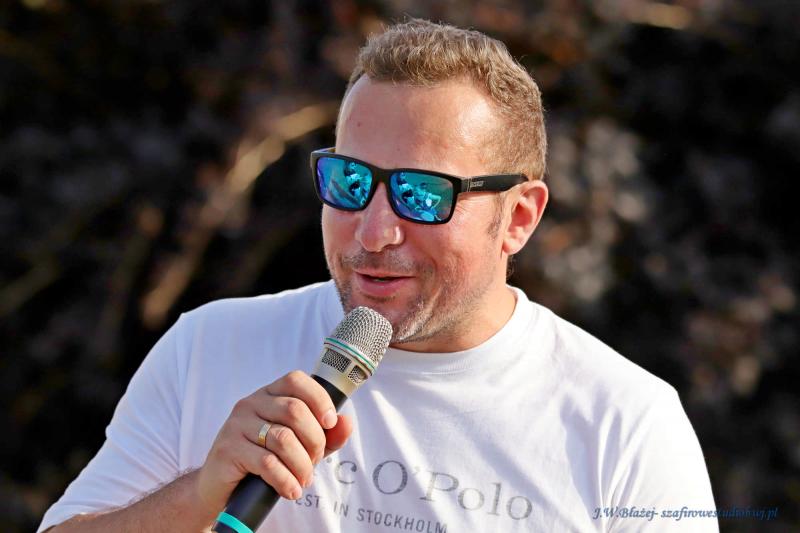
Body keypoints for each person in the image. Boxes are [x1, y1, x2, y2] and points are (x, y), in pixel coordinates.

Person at [39, 19, 718, 532]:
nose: (372, 232)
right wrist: (198, 494)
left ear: (518, 217)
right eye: (351, 181)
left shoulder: (625, 425)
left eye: (422, 194)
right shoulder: (209, 349)